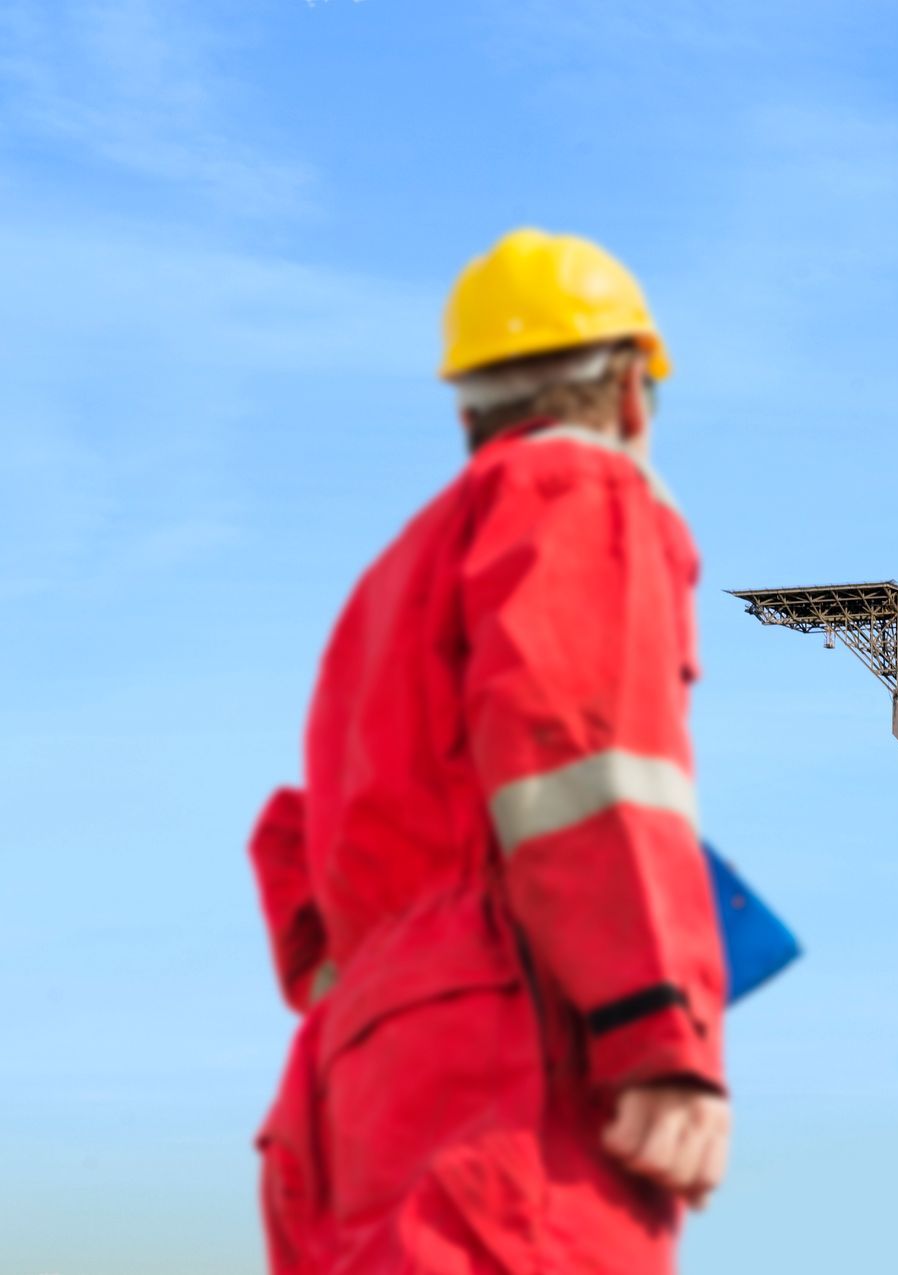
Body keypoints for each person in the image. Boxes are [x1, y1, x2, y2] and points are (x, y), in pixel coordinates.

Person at [248, 228, 728, 1274]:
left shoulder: (380, 593)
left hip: (349, 1101)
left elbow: (297, 863)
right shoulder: (580, 491)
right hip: (510, 1076)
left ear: (468, 411)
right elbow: (587, 764)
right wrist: (658, 1028)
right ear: (634, 392)